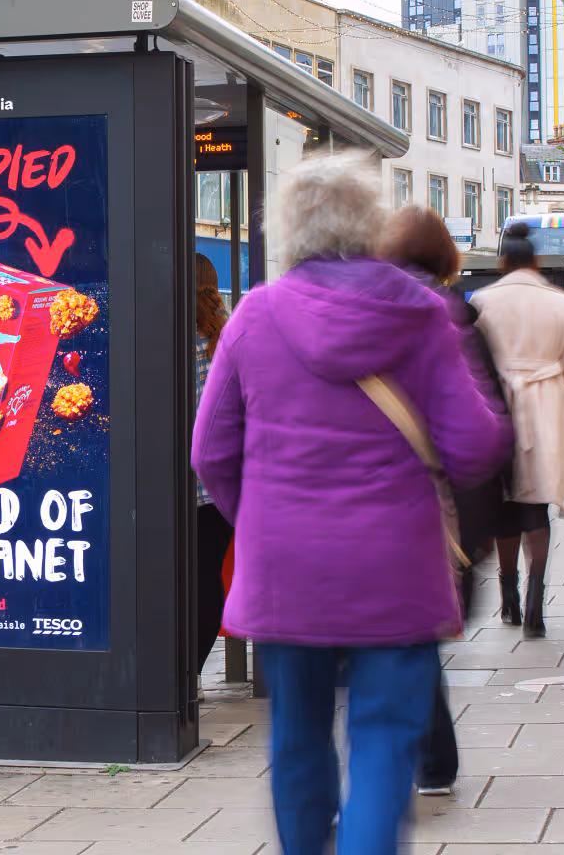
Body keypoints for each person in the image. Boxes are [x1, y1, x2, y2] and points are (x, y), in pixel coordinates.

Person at [191, 155, 509, 855]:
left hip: (285, 570)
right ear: (370, 224)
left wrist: (263, 518)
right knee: (385, 745)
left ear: (287, 229)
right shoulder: (421, 312)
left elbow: (210, 451)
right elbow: (477, 446)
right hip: (396, 567)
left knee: (298, 741)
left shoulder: (255, 315)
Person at [378, 207, 512, 797]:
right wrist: (481, 520)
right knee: (415, 632)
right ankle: (433, 759)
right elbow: (484, 430)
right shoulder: (452, 314)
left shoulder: (365, 309)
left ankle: (409, 756)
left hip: (366, 500)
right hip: (431, 503)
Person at [471, 223, 564, 638]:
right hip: (545, 409)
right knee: (537, 506)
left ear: (503, 262)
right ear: (534, 261)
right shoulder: (561, 304)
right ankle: (535, 602)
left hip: (497, 408)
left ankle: (507, 595)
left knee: (506, 507)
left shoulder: (483, 301)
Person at [193, 253, 232, 680]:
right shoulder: (226, 334)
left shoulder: (160, 332)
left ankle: (172, 675)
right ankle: (192, 674)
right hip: (219, 484)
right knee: (207, 576)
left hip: (167, 482)